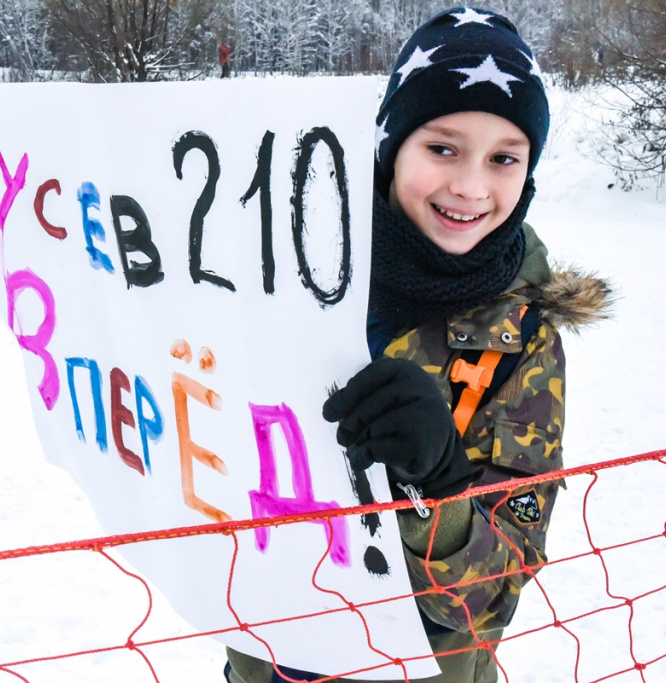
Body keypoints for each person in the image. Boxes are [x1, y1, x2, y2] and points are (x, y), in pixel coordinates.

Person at [224, 7, 612, 683]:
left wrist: (439, 484)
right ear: (390, 146)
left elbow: (496, 596)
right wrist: (33, 262)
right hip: (269, 660)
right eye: (442, 147)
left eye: (503, 158)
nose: (469, 186)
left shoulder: (522, 339)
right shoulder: (283, 269)